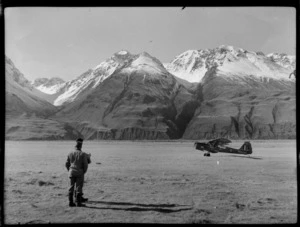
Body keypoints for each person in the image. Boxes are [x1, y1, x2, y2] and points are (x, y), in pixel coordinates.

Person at [65, 138, 89, 207]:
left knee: (71, 187)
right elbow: (85, 164)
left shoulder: (70, 153)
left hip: (71, 172)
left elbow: (67, 164)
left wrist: (69, 170)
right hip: (79, 172)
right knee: (79, 187)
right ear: (81, 146)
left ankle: (70, 202)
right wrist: (83, 172)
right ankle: (79, 203)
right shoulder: (83, 154)